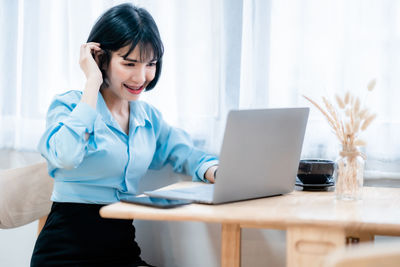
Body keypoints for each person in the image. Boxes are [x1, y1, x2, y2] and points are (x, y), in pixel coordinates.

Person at [31, 3, 219, 267]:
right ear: (101, 59)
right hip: (65, 253)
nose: (141, 77)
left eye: (150, 64)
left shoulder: (148, 118)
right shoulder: (70, 106)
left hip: (121, 252)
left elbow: (185, 153)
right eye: (129, 63)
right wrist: (91, 83)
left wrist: (216, 170)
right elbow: (65, 157)